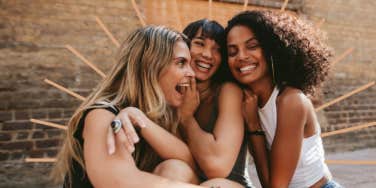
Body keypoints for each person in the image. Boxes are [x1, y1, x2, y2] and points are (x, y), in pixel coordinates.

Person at [51, 26, 204, 188]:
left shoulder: (162, 116)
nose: (192, 74)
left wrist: (140, 119)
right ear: (150, 66)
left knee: (176, 168)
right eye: (181, 63)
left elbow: (187, 164)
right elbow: (123, 183)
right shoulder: (102, 114)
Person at [110, 19, 252, 188]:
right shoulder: (170, 92)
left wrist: (186, 117)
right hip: (185, 179)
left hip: (228, 183)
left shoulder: (227, 91)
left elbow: (217, 167)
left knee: (213, 183)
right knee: (173, 169)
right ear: (183, 47)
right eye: (200, 44)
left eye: (217, 49)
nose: (208, 54)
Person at [225, 10, 342, 188]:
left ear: (272, 49)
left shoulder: (290, 101)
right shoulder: (249, 102)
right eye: (232, 51)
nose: (241, 56)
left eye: (252, 46)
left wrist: (254, 126)